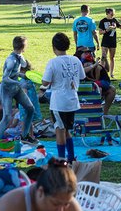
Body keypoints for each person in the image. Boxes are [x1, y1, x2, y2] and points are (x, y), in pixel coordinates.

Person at [42, 33, 85, 161]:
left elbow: (45, 82)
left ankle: (61, 159)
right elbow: (82, 77)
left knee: (59, 130)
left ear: (53, 47)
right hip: (72, 101)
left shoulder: (53, 62)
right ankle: (71, 156)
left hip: (59, 103)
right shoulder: (75, 60)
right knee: (67, 130)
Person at [0, 157, 81, 211]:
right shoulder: (12, 204)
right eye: (55, 204)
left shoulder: (69, 204)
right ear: (40, 192)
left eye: (66, 204)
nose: (61, 210)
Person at [0, 36, 37, 145]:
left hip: (16, 88)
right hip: (7, 90)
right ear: (23, 46)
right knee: (7, 116)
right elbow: (5, 78)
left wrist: (22, 75)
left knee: (30, 109)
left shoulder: (19, 57)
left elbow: (15, 72)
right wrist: (20, 83)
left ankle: (25, 136)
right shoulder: (11, 60)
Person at [79, 47, 116, 115]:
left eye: (89, 52)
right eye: (86, 52)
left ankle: (104, 113)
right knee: (98, 89)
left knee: (111, 90)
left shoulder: (97, 67)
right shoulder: (79, 63)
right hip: (84, 88)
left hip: (99, 85)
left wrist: (104, 59)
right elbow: (81, 72)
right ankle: (93, 111)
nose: (88, 53)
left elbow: (106, 70)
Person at [98, 8, 121, 78]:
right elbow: (100, 32)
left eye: (114, 13)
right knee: (103, 57)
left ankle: (111, 73)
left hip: (113, 41)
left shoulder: (114, 20)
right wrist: (107, 30)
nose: (113, 15)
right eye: (111, 14)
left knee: (112, 57)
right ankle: (102, 73)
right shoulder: (103, 21)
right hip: (105, 41)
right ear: (107, 13)